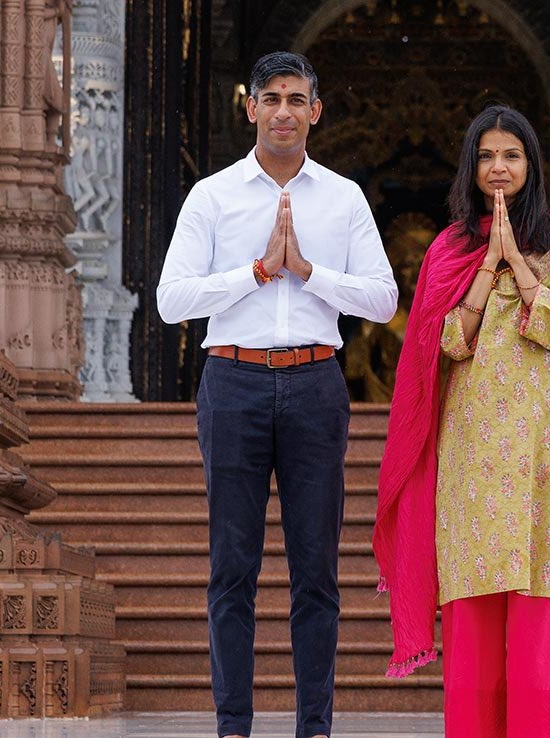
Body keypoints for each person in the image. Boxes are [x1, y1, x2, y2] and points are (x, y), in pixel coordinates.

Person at [157, 51, 398, 738]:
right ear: (250, 107)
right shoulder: (212, 196)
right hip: (232, 381)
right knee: (232, 566)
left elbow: (384, 300)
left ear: (316, 110)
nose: (285, 111)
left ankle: (314, 726)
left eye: (297, 99)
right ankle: (234, 723)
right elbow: (173, 300)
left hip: (316, 382)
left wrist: (310, 273)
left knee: (315, 571)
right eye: (272, 98)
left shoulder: (344, 197)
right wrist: (258, 271)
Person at [374, 105, 550, 737]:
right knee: (473, 623)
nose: (498, 167)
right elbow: (443, 344)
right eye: (486, 156)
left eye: (511, 155)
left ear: (531, 165)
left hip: (543, 445)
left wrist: (521, 262)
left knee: (537, 624)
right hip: (471, 448)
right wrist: (487, 265)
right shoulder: (449, 250)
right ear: (471, 167)